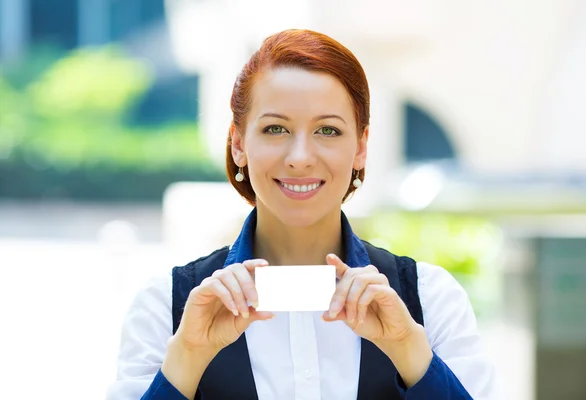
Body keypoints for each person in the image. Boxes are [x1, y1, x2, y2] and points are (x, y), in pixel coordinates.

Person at [107, 29, 495, 400]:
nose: (300, 158)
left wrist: (410, 352)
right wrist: (187, 357)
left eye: (328, 131)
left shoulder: (429, 300)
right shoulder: (166, 308)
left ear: (361, 147)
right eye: (276, 129)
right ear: (239, 144)